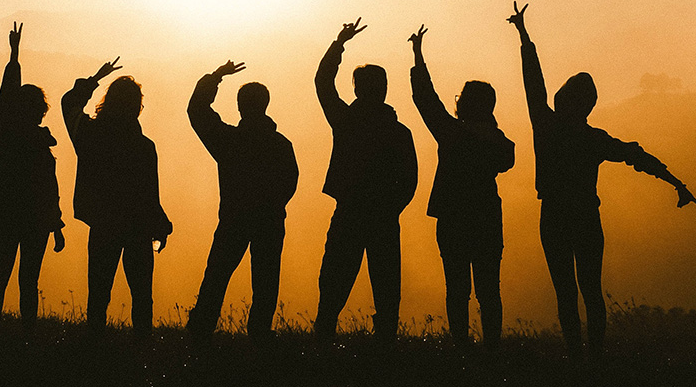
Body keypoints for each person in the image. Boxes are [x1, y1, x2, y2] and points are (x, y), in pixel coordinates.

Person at [507, 2, 696, 358]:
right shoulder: (594, 139)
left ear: (564, 99)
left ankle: (576, 357)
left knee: (566, 292)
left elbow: (532, 82)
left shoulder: (546, 126)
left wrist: (524, 36)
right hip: (585, 217)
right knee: (590, 290)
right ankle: (594, 359)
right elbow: (638, 157)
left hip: (554, 216)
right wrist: (676, 183)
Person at [406, 25, 515, 349]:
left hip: (453, 219)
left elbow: (425, 99)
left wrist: (417, 55)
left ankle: (461, 347)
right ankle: (492, 348)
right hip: (486, 218)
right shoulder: (499, 142)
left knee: (457, 288)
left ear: (464, 104)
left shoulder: (452, 134)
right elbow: (507, 159)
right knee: (488, 290)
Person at [312, 18, 418, 342]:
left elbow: (322, 82)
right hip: (384, 217)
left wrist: (339, 42)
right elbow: (409, 180)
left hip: (351, 211)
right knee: (387, 284)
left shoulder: (346, 121)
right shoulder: (398, 131)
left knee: (334, 279)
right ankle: (385, 341)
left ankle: (324, 336)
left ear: (357, 89)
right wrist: (391, 207)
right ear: (384, 89)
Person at [185, 60, 300, 343]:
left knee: (217, 275)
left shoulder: (228, 140)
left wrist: (216, 77)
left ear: (240, 107)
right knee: (266, 280)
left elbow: (196, 110)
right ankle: (260, 333)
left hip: (233, 219)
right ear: (266, 105)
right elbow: (290, 181)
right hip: (270, 219)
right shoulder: (281, 144)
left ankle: (201, 328)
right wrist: (273, 205)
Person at [62, 57, 172, 337]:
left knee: (98, 292)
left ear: (108, 101)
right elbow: (150, 194)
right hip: (138, 227)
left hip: (103, 223)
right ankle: (143, 348)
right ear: (137, 107)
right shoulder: (144, 146)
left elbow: (69, 103)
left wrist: (95, 78)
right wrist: (161, 226)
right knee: (142, 295)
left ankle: (95, 348)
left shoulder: (89, 134)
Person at [0, 22, 66, 332]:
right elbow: (49, 189)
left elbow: (5, 98)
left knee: (1, 271)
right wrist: (55, 225)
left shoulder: (4, 133)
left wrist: (15, 57)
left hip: (10, 214)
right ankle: (27, 334)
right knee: (28, 279)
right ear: (41, 110)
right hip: (36, 220)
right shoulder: (32, 140)